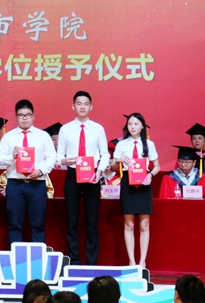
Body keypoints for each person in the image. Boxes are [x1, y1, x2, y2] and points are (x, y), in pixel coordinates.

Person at [56, 91, 109, 265]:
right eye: (79, 103)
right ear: (73, 106)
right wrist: (64, 160)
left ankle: (92, 262)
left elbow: (105, 154)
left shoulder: (98, 129)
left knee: (92, 221)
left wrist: (100, 170)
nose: (82, 107)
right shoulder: (65, 129)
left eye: (86, 104)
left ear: (91, 107)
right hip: (72, 174)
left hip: (92, 175)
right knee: (72, 220)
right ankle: (75, 260)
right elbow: (58, 155)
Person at [0, 100, 56, 245]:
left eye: (28, 115)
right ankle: (16, 257)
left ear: (33, 116)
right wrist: (12, 156)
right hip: (15, 185)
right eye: (21, 115)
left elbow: (52, 158)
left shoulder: (43, 136)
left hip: (37, 184)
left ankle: (38, 257)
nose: (24, 118)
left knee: (38, 225)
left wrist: (41, 171)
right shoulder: (9, 137)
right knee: (14, 225)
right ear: (16, 117)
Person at [110, 113, 160, 267]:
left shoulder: (149, 144)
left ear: (142, 127)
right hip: (127, 183)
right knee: (129, 225)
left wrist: (150, 175)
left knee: (144, 226)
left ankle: (142, 262)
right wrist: (118, 160)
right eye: (130, 124)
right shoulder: (121, 144)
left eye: (136, 124)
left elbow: (157, 166)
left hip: (144, 183)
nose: (132, 127)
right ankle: (132, 262)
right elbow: (112, 167)